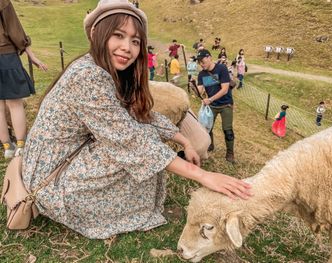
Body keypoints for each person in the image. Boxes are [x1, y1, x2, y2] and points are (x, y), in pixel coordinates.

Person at [21, 0, 252, 239]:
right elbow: (129, 139)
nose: (127, 48)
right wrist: (204, 176)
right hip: (52, 178)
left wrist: (185, 141)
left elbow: (141, 116)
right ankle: (111, 209)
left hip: (62, 160)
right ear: (95, 34)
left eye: (135, 41)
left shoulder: (106, 71)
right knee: (141, 142)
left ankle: (128, 203)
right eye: (118, 35)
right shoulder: (87, 75)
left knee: (144, 135)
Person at [0, 0, 47, 159]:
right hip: (6, 56)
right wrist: (31, 55)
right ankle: (21, 146)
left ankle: (7, 147)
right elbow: (15, 30)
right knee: (14, 103)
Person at [196, 49, 235, 163]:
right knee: (207, 128)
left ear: (209, 57)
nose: (201, 64)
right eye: (199, 62)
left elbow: (225, 89)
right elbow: (200, 90)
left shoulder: (221, 69)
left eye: (202, 61)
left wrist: (211, 99)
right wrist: (194, 87)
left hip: (225, 104)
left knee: (227, 130)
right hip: (211, 106)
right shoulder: (201, 74)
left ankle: (230, 153)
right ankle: (210, 145)